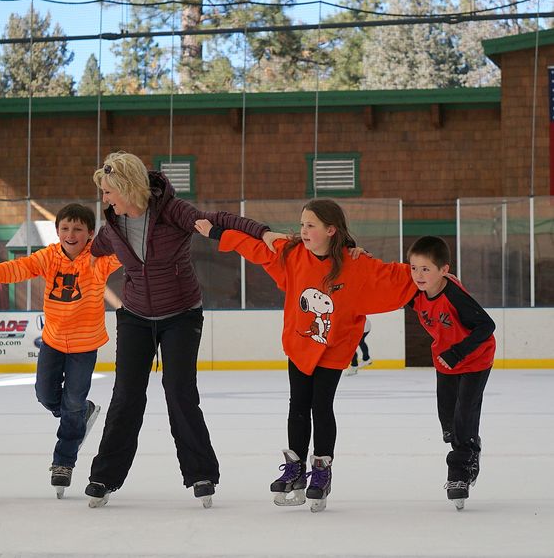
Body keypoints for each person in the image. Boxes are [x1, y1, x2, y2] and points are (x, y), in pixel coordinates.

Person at [195, 198, 418, 512]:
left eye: (310, 225)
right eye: (302, 225)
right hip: (300, 343)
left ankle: (322, 471)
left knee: (321, 404)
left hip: (334, 347)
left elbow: (397, 277)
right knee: (297, 403)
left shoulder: (356, 264)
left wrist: (433, 274)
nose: (303, 231)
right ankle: (296, 467)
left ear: (330, 230)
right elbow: (256, 248)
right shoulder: (292, 253)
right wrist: (218, 233)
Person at [84, 151, 275, 509]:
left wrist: (263, 232)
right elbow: (90, 248)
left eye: (109, 192)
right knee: (126, 395)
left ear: (127, 187)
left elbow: (218, 219)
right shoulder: (112, 224)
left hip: (181, 315)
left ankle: (201, 473)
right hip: (135, 315)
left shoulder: (173, 212)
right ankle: (104, 476)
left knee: (179, 390)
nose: (105, 200)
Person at [0, 203, 121, 498]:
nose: (71, 234)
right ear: (57, 231)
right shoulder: (48, 257)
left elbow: (129, 254)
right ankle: (81, 412)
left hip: (85, 345)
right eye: (65, 228)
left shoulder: (99, 260)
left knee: (72, 400)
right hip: (54, 341)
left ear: (90, 234)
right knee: (46, 395)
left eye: (78, 229)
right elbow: (19, 267)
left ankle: (63, 461)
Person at [407, 236, 495, 510]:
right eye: (413, 268)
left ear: (443, 270)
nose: (418, 276)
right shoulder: (414, 292)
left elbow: (486, 326)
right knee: (448, 418)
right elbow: (382, 283)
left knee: (464, 415)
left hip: (475, 360)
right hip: (445, 361)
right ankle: (467, 443)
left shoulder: (455, 297)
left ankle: (460, 471)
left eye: (426, 269)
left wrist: (457, 352)